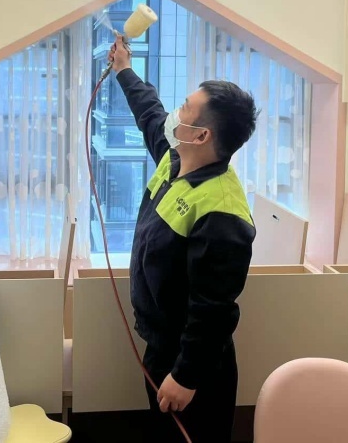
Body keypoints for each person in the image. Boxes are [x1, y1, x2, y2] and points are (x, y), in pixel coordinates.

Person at [108, 36, 258, 443]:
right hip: (161, 347)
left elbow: (214, 308)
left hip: (194, 367)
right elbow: (150, 114)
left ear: (201, 135)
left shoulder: (223, 213)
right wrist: (124, 69)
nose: (176, 112)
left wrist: (186, 376)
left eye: (185, 109)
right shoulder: (176, 159)